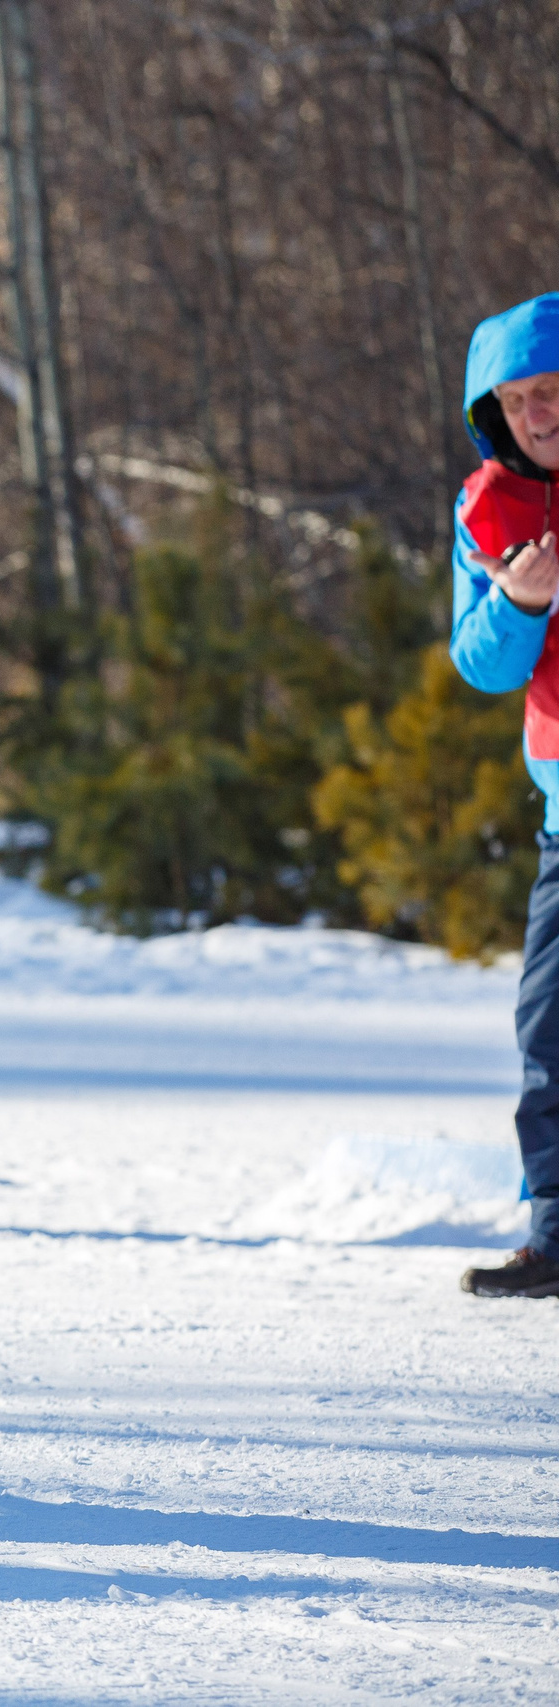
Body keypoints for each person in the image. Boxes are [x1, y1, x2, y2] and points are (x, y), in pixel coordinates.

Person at [447, 292, 559, 1301]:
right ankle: (557, 1239)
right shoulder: (487, 512)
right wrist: (522, 600)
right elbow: (478, 665)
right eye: (520, 398)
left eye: (555, 390)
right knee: (548, 1031)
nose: (541, 413)